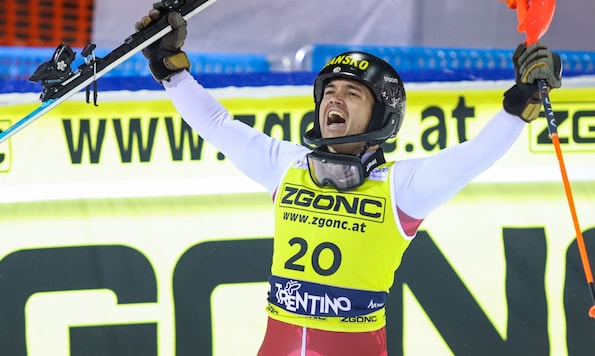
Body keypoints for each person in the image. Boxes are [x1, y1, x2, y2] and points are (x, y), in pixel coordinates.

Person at [136, 4, 562, 355]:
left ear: (380, 116)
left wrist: (521, 99)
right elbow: (217, 124)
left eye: (351, 93)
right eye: (329, 92)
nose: (333, 100)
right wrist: (171, 69)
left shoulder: (402, 187)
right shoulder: (287, 165)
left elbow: (475, 156)